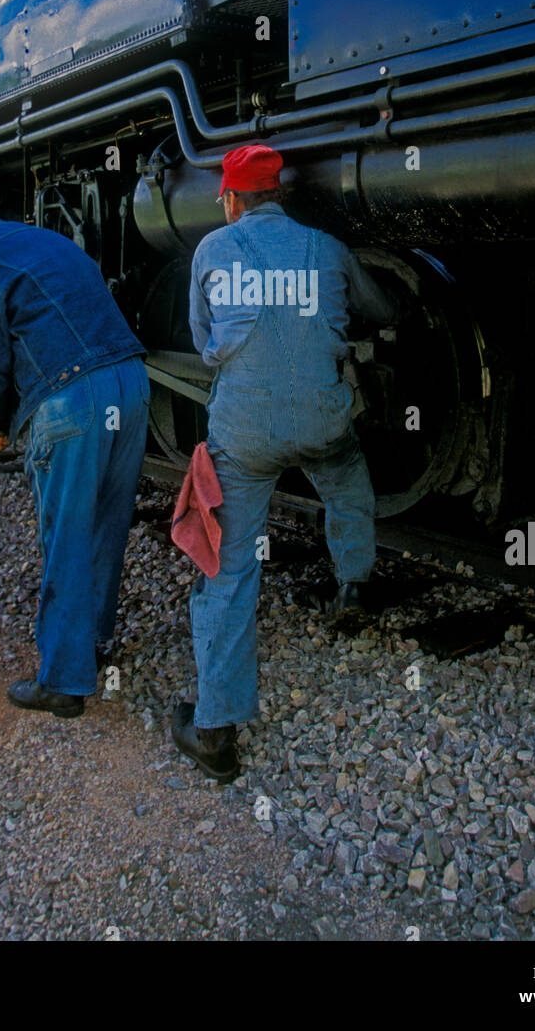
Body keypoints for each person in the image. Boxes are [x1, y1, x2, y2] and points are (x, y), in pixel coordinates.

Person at [172, 145, 399, 781]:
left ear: (232, 198)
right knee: (347, 476)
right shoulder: (326, 248)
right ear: (279, 195)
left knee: (229, 560)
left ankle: (214, 728)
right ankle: (354, 583)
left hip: (243, 436)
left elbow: (202, 337)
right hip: (321, 419)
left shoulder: (212, 252)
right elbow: (385, 311)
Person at [0, 196, 149, 718]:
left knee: (68, 535)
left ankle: (63, 681)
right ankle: (93, 643)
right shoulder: (47, 239)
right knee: (106, 524)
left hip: (72, 399)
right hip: (132, 384)